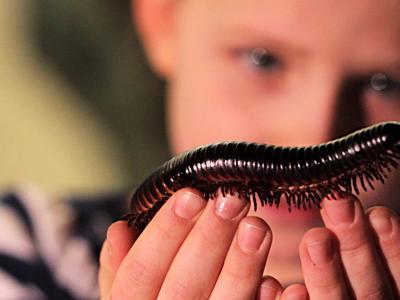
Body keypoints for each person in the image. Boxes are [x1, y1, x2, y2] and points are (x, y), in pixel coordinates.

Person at [1, 0, 399, 299]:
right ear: (162, 21)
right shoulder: (21, 249)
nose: (313, 134)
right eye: (263, 59)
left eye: (386, 84)